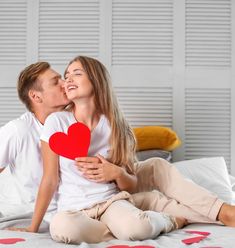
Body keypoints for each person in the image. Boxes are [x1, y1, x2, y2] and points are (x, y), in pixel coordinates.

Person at [9, 56, 186, 244]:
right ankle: (120, 229)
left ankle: (169, 220)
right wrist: (32, 227)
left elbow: (131, 184)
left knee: (138, 228)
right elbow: (50, 179)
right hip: (74, 210)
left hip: (111, 203)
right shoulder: (56, 121)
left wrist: (116, 172)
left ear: (96, 80)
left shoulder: (115, 125)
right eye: (66, 75)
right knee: (60, 228)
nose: (67, 80)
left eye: (76, 74)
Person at [0, 62, 70, 220]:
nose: (65, 83)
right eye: (55, 81)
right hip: (31, 211)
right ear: (36, 96)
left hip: (71, 208)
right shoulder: (18, 130)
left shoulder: (75, 121)